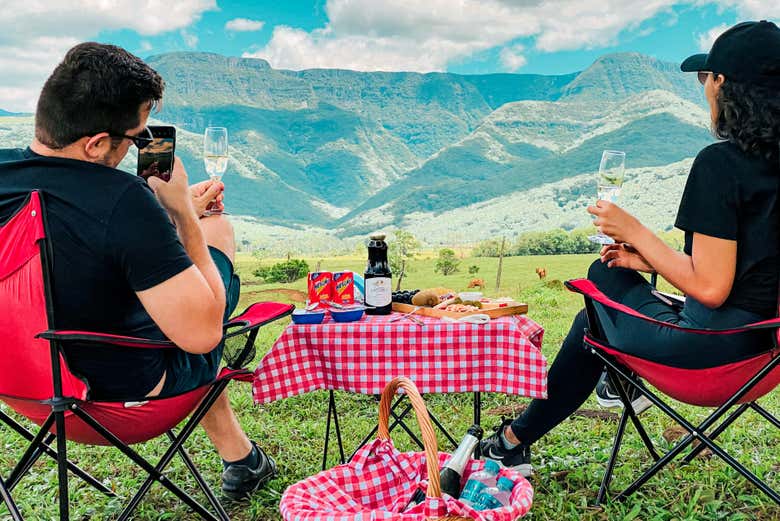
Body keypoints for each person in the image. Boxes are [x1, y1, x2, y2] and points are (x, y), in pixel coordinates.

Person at [480, 20, 780, 477]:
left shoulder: (721, 164)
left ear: (725, 85)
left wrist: (635, 231)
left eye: (706, 79)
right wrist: (647, 258)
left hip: (707, 355)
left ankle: (521, 438)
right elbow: (747, 274)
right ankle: (520, 438)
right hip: (763, 357)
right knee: (599, 311)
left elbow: (712, 288)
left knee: (601, 280)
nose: (704, 91)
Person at [0, 42, 274, 500]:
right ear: (96, 144)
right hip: (123, 401)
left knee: (163, 300)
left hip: (22, 387)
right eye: (136, 138)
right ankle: (241, 459)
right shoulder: (123, 198)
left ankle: (242, 458)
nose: (139, 148)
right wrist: (185, 215)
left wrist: (157, 224)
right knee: (216, 233)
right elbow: (203, 336)